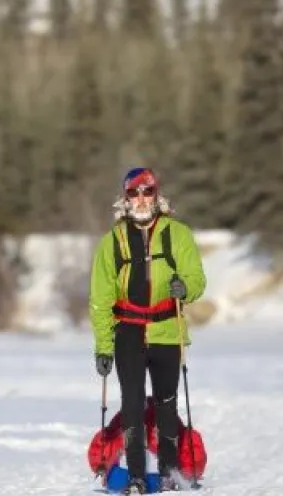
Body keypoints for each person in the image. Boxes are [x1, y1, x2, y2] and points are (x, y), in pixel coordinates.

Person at [88, 167, 207, 494]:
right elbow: (101, 298)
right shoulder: (112, 241)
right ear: (125, 199)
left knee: (168, 405)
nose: (141, 199)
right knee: (132, 403)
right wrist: (103, 346)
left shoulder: (177, 234)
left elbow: (197, 279)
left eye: (147, 191)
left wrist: (186, 288)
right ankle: (137, 476)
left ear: (157, 195)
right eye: (134, 193)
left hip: (168, 329)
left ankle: (169, 471)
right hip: (128, 331)